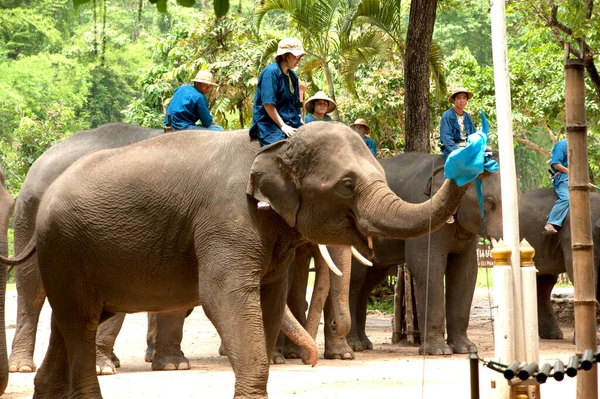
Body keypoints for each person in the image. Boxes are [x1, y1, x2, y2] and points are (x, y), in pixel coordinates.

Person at [250, 38, 306, 146]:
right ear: (284, 56)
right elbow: (268, 104)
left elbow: (295, 105)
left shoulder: (292, 76)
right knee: (281, 149)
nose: (298, 60)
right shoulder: (270, 73)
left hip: (291, 121)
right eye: (295, 56)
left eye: (300, 57)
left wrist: (301, 121)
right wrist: (282, 126)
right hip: (269, 124)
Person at [440, 88, 476, 159]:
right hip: (453, 147)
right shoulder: (447, 116)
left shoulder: (467, 116)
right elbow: (446, 138)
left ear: (466, 100)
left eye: (464, 98)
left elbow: (473, 135)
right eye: (459, 98)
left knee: (487, 153)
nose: (462, 101)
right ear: (454, 100)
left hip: (467, 145)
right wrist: (457, 151)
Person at [543, 139, 569, 235]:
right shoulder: (562, 144)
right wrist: (569, 172)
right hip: (564, 178)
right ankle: (550, 223)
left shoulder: (579, 146)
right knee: (567, 199)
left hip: (578, 180)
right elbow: (555, 163)